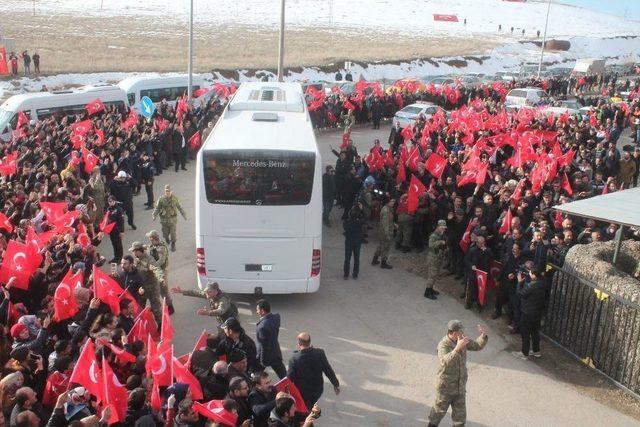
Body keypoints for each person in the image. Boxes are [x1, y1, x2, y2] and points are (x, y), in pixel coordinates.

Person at [427, 320, 488, 427]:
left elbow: (477, 345)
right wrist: (457, 349)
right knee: (436, 415)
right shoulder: (443, 345)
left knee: (460, 420)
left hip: (459, 387)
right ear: (454, 332)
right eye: (460, 331)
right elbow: (444, 362)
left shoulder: (461, 339)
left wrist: (483, 336)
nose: (463, 333)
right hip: (445, 388)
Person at [287, 332, 340, 410]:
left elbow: (290, 377)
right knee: (312, 403)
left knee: (305, 407)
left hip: (302, 391)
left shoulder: (294, 359)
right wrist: (335, 384)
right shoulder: (320, 353)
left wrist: (286, 391)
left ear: (299, 343)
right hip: (317, 389)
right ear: (310, 341)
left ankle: (308, 414)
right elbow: (328, 370)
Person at [513, 265, 547, 360]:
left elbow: (520, 294)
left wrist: (519, 282)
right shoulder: (543, 282)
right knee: (535, 332)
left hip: (528, 312)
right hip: (537, 312)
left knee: (525, 333)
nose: (529, 274)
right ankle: (536, 351)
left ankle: (524, 353)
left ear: (534, 276)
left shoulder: (532, 286)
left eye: (530, 273)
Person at [172, 281, 238, 324]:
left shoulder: (223, 299)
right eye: (206, 291)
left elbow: (220, 311)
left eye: (209, 292)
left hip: (230, 320)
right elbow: (197, 293)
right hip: (222, 319)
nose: (207, 294)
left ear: (216, 291)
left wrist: (208, 312)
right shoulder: (209, 294)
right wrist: (182, 291)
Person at [129, 241, 163, 322]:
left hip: (151, 287)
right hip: (142, 287)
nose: (133, 253)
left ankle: (160, 324)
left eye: (133, 251)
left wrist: (161, 277)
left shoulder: (149, 259)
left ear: (138, 251)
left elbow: (156, 269)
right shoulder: (137, 258)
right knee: (139, 306)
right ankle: (141, 323)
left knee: (156, 308)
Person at [255, 299, 286, 379]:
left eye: (257, 309)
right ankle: (290, 388)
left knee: (256, 375)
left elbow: (263, 346)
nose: (256, 311)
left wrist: (262, 361)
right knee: (284, 376)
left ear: (262, 311)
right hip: (275, 352)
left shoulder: (262, 327)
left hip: (265, 355)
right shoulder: (276, 317)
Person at [152, 184, 187, 252]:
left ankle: (173, 244)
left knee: (173, 234)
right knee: (165, 234)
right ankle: (167, 239)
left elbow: (179, 207)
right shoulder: (161, 199)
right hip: (164, 220)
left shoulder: (175, 199)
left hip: (172, 220)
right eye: (166, 191)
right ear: (164, 191)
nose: (168, 192)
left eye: (169, 191)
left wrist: (184, 214)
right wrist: (154, 215)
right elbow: (157, 208)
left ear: (171, 191)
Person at [424, 220, 448, 300]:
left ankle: (431, 289)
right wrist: (440, 242)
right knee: (432, 275)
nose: (443, 229)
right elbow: (431, 245)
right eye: (442, 228)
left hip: (438, 258)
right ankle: (427, 292)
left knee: (435, 275)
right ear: (438, 227)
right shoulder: (433, 235)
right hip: (433, 258)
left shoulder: (441, 234)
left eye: (444, 228)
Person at [146, 229, 170, 304]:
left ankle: (169, 306)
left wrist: (154, 266)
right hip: (155, 270)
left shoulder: (161, 248)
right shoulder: (153, 245)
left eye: (150, 238)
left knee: (163, 290)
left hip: (162, 270)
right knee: (156, 288)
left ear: (153, 238)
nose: (149, 240)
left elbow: (161, 261)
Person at [343, 203, 365, 280]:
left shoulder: (346, 222)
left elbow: (345, 227)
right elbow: (365, 218)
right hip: (357, 242)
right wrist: (361, 210)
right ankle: (355, 274)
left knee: (347, 259)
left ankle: (346, 274)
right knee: (356, 259)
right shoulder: (359, 223)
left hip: (348, 242)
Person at [372, 196, 395, 269]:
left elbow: (388, 221)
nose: (393, 203)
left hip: (383, 231)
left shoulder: (387, 209)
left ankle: (375, 260)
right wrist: (387, 234)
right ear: (388, 202)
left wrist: (394, 224)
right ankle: (383, 263)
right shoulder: (386, 211)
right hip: (385, 232)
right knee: (385, 247)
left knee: (380, 245)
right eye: (392, 202)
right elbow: (385, 224)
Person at [105, 195, 125, 263]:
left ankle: (120, 258)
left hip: (117, 229)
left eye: (111, 201)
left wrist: (122, 231)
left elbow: (121, 221)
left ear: (114, 201)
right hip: (111, 230)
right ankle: (116, 257)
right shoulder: (108, 209)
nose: (109, 203)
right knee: (114, 244)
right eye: (108, 201)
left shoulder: (119, 209)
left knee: (118, 244)